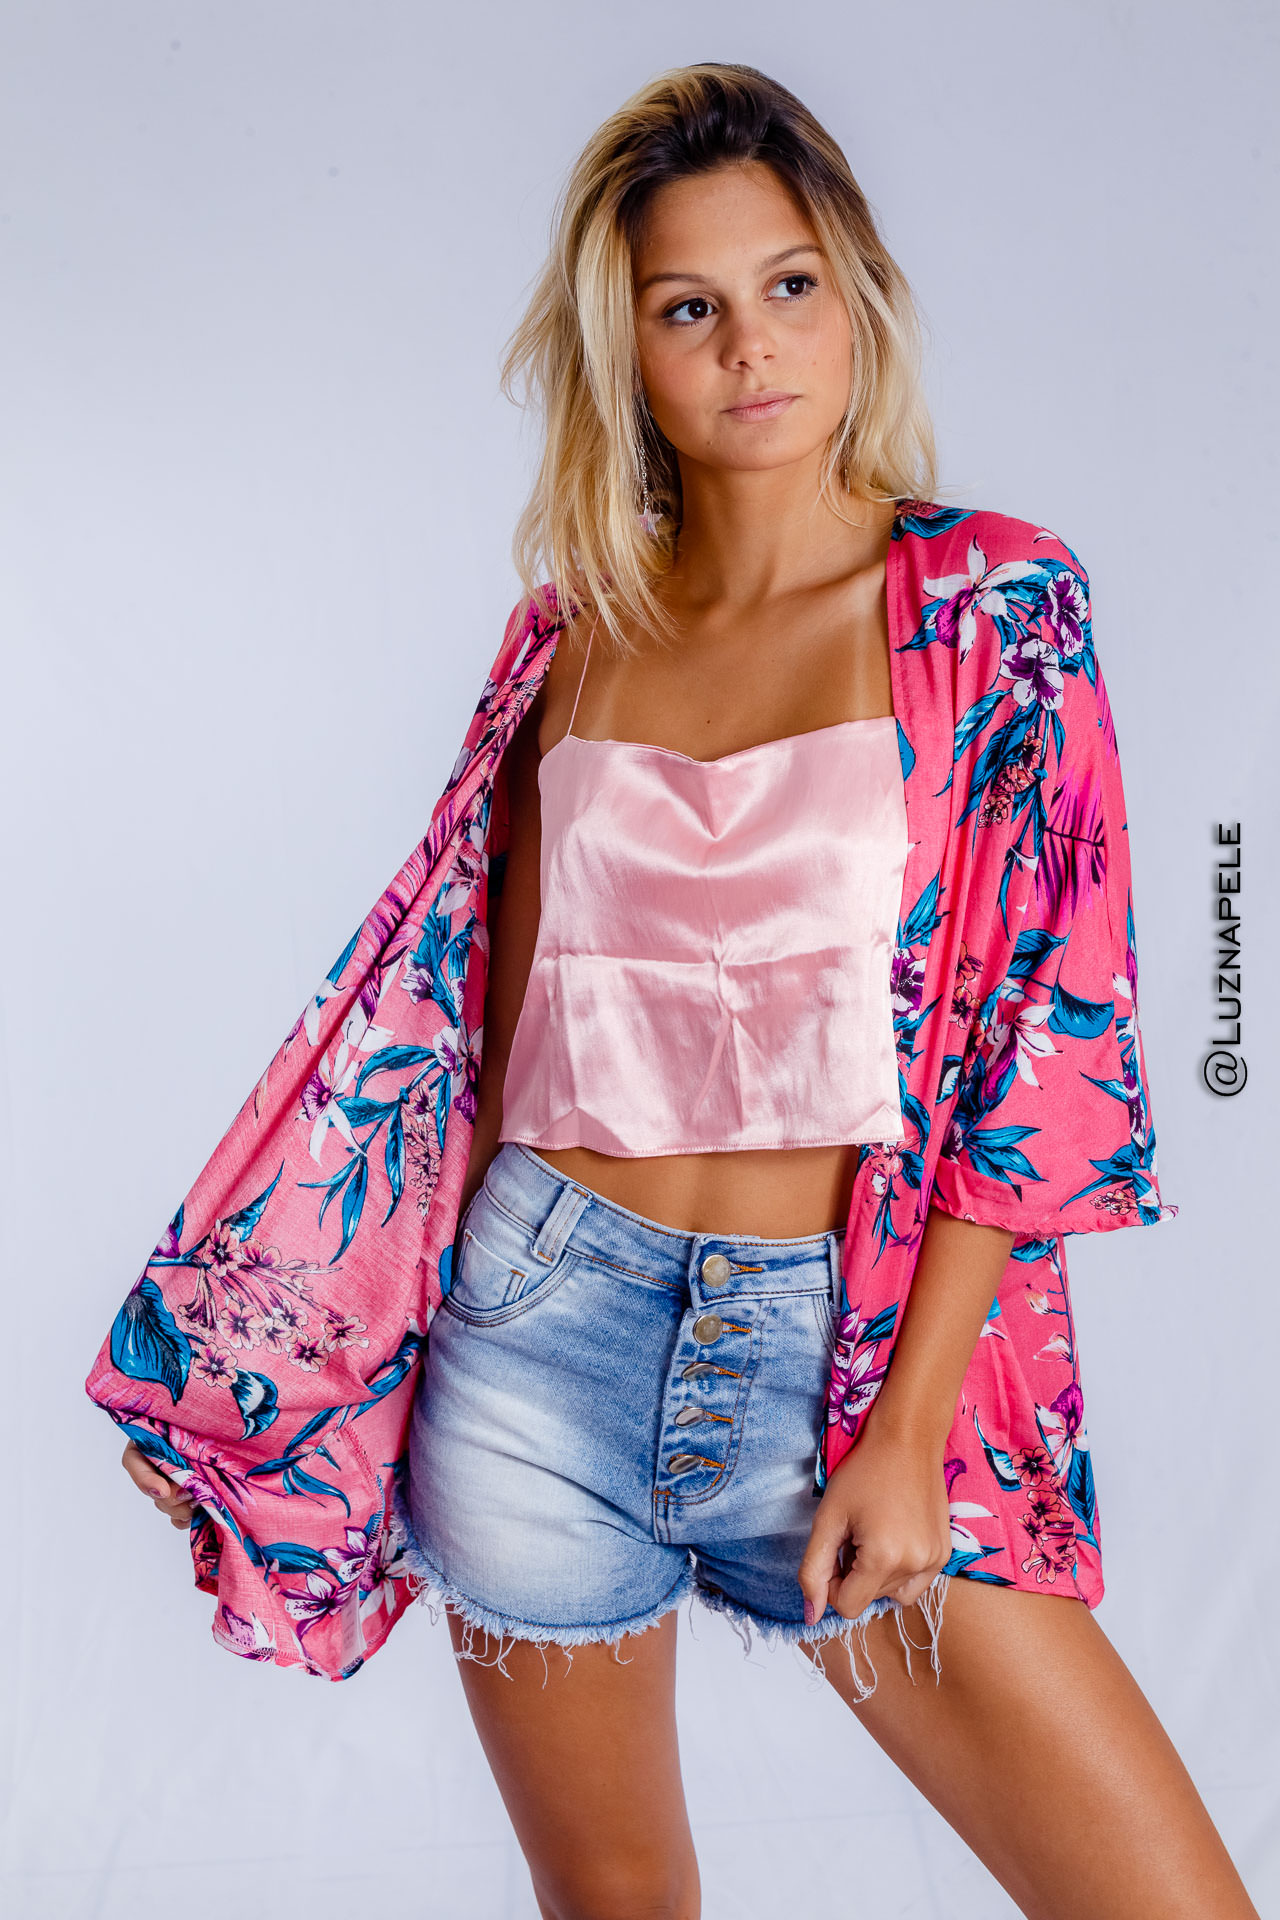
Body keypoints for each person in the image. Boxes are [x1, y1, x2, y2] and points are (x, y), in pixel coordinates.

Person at [96, 62, 1257, 1920]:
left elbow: (1056, 1045)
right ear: (624, 351)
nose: (749, 347)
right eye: (686, 308)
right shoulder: (575, 635)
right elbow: (452, 1050)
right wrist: (267, 1394)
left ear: (856, 294)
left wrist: (907, 1429)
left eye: (788, 286)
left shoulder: (996, 608)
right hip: (535, 1350)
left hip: (849, 1363)